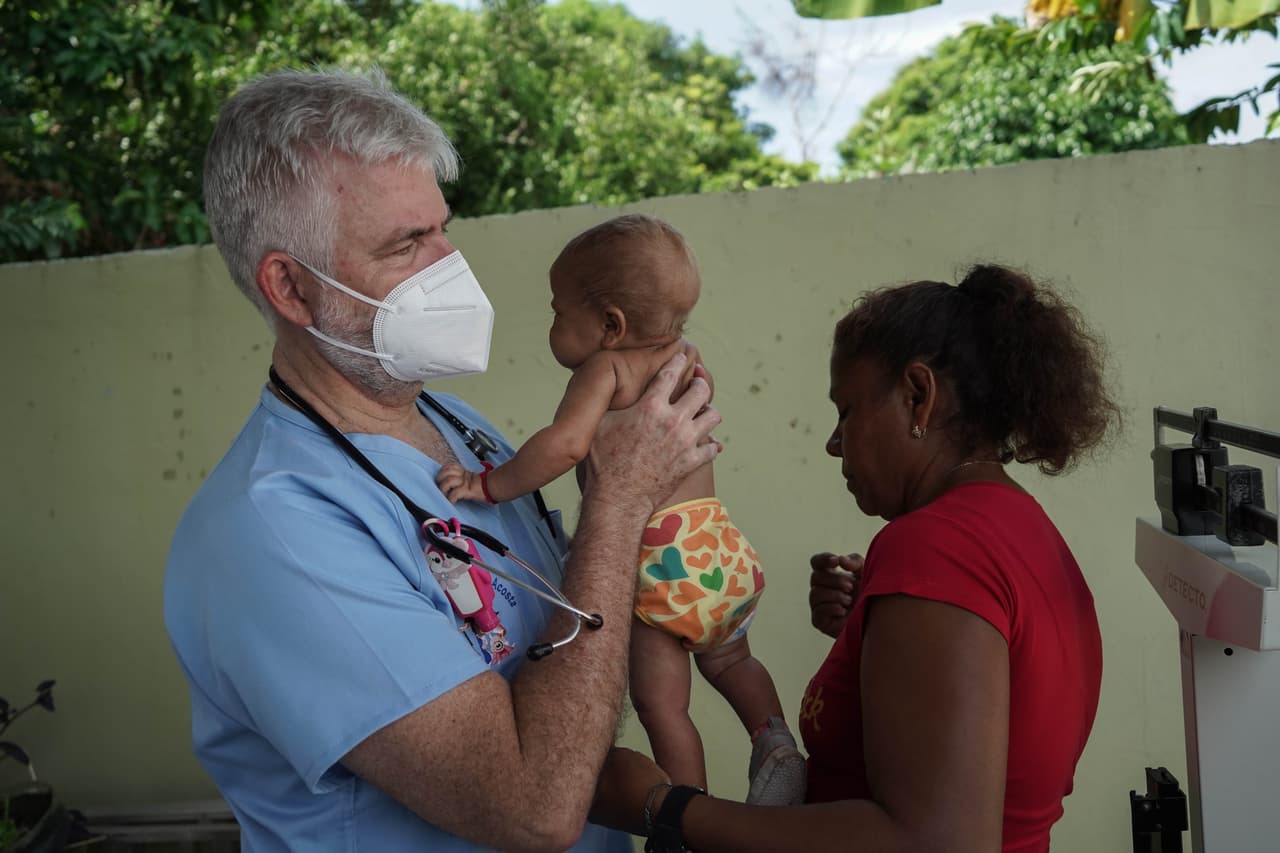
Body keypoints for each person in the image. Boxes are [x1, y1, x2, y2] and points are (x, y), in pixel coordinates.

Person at [162, 68, 722, 853]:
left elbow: (560, 624)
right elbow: (532, 808)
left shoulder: (455, 425)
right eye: (406, 243)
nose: (448, 265)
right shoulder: (275, 530)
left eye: (441, 228)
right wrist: (621, 503)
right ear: (290, 287)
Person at [590, 264, 1118, 853]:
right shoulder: (1018, 527)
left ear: (918, 397)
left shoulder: (937, 546)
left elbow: (936, 841)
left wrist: (665, 808)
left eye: (846, 410)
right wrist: (868, 632)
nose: (834, 442)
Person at [436, 214, 806, 805]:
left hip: (660, 564)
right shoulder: (686, 358)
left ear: (611, 325)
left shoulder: (606, 368)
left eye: (559, 310)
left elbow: (565, 444)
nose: (552, 322)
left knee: (664, 706)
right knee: (732, 659)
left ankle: (691, 815)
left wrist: (488, 485)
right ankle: (774, 738)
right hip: (718, 550)